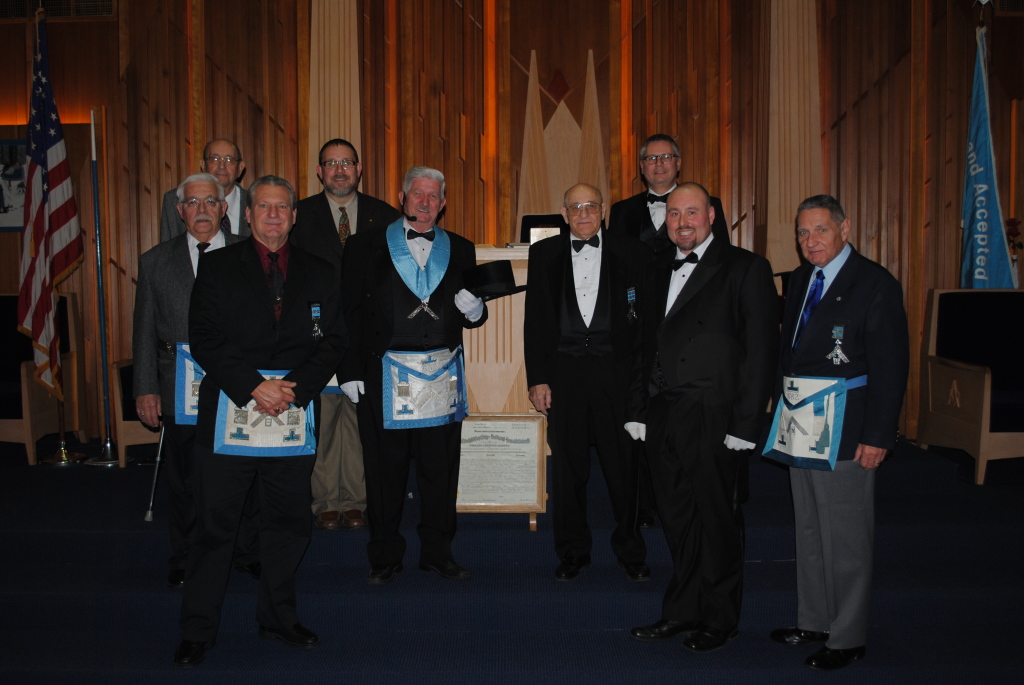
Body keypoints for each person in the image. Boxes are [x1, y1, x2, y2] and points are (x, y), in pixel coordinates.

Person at [173, 176, 346, 668]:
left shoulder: (321, 271)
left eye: (282, 208)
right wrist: (253, 385)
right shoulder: (218, 266)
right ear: (246, 216)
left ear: (294, 216)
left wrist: (294, 388)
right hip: (231, 408)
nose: (273, 216)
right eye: (263, 208)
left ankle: (278, 617)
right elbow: (203, 337)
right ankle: (198, 629)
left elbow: (334, 340)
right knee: (214, 526)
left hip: (293, 412)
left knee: (289, 523)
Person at [627, 183, 777, 653]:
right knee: (677, 519)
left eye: (692, 211)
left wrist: (746, 426)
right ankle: (682, 609)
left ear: (712, 215)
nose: (683, 221)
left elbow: (761, 354)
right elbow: (643, 346)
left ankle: (720, 617)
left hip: (716, 415)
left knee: (717, 520)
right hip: (664, 413)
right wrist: (638, 409)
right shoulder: (655, 269)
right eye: (674, 214)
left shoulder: (746, 268)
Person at [767, 194, 908, 671]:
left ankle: (847, 636)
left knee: (845, 534)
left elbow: (891, 366)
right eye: (803, 233)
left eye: (821, 230)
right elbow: (792, 350)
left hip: (848, 428)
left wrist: (879, 436)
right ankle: (815, 619)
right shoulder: (803, 278)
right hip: (802, 423)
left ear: (845, 229)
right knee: (808, 527)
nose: (811, 242)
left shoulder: (875, 284)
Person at [339, 166, 487, 584]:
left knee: (440, 471)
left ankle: (438, 552)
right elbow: (347, 310)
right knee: (385, 471)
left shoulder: (461, 248)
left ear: (443, 203)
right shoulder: (365, 244)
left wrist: (476, 312)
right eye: (417, 194)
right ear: (402, 197)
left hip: (440, 376)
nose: (424, 202)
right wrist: (348, 369)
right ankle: (384, 555)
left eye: (433, 196)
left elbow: (471, 308)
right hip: (382, 374)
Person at [133, 173, 260, 590]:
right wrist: (145, 387)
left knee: (242, 473)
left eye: (211, 201)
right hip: (177, 385)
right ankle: (186, 557)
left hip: (241, 383)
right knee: (185, 478)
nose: (202, 210)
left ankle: (245, 552)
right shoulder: (155, 261)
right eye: (192, 203)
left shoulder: (251, 253)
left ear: (225, 209)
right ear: (179, 210)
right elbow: (144, 330)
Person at [523, 183, 649, 582]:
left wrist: (640, 382)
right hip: (565, 376)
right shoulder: (544, 253)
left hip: (617, 375)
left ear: (603, 210)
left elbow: (644, 325)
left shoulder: (632, 252)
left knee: (623, 468)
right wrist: (537, 378)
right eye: (575, 207)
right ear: (563, 213)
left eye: (590, 206)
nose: (583, 214)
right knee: (569, 470)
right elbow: (535, 322)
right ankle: (573, 552)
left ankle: (630, 552)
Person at [291, 138, 401, 532]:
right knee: (320, 418)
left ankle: (354, 500)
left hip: (366, 336)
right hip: (314, 334)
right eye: (330, 163)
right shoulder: (297, 216)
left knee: (358, 421)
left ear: (359, 169)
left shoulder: (386, 216)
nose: (339, 170)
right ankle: (324, 502)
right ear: (319, 171)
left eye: (347, 163)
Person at [606, 133, 730, 251]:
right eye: (651, 158)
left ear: (678, 163)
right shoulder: (621, 210)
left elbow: (721, 254)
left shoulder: (708, 203)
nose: (659, 164)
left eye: (666, 157)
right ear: (642, 166)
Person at [160, 139, 251, 241]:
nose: (222, 166)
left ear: (240, 168)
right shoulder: (175, 199)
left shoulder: (254, 202)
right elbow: (167, 251)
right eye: (215, 159)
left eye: (229, 160)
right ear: (203, 164)